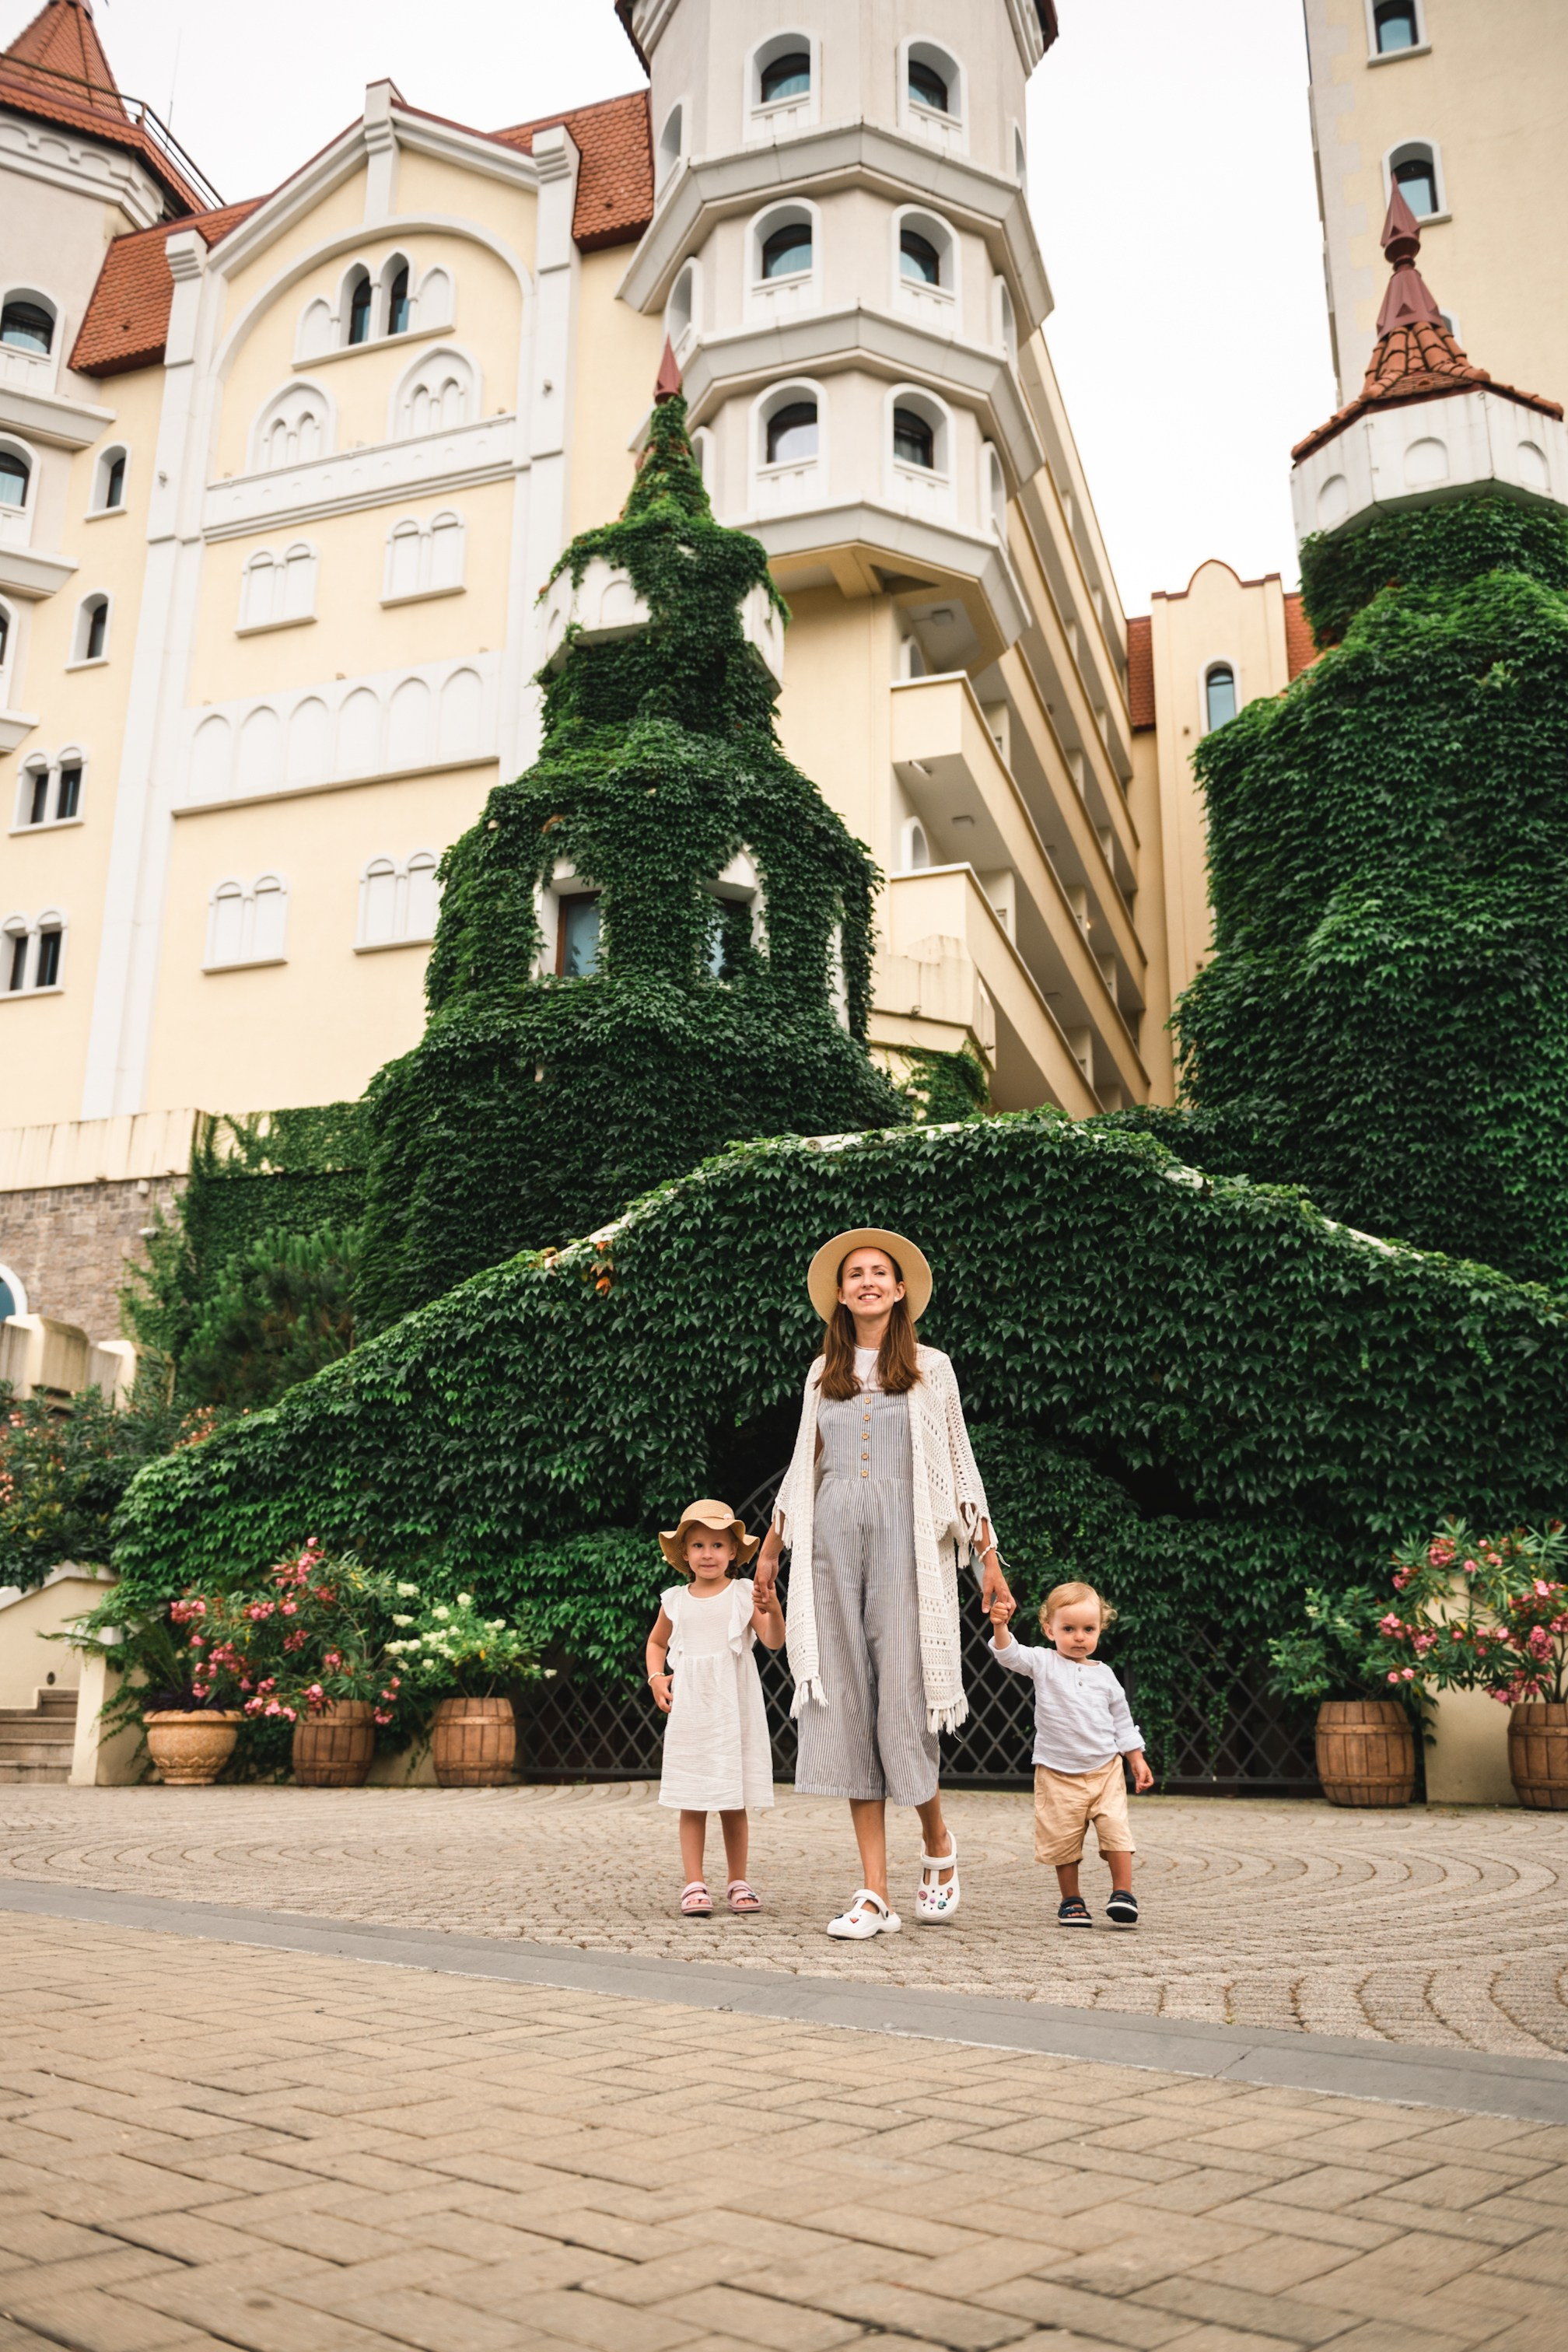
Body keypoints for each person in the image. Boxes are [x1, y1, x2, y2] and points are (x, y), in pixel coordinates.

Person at [754, 1227, 1011, 1941]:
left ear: (900, 1291)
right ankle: (875, 1893)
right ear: (840, 1295)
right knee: (845, 1706)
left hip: (908, 1550)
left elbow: (960, 1465)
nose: (867, 1281)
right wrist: (771, 1549)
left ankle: (936, 1838)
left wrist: (989, 1560)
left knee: (903, 1704)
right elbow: (802, 1466)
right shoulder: (822, 1372)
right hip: (832, 1551)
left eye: (879, 1272)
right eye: (855, 1274)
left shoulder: (933, 1368)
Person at [646, 1498, 786, 1917]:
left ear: (733, 1552)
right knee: (692, 1798)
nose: (708, 1554)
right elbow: (656, 1643)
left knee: (732, 1798)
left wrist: (773, 1608)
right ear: (685, 1553)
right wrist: (657, 1678)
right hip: (692, 1712)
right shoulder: (675, 1600)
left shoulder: (743, 1594)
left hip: (732, 1712)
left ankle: (737, 1881)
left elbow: (773, 1640)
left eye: (718, 1545)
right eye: (699, 1545)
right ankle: (694, 1883)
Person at [988, 1579, 1153, 1928]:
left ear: (1100, 1630)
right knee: (1063, 1839)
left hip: (1105, 1770)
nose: (1079, 1637)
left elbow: (1123, 1721)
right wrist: (1001, 1626)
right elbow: (1009, 1654)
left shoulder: (1106, 1676)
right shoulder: (1043, 1662)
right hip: (1057, 1772)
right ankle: (1072, 1900)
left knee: (1116, 1830)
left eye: (1088, 1629)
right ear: (1050, 1630)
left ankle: (1123, 1893)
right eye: (1069, 1629)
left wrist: (1136, 1759)